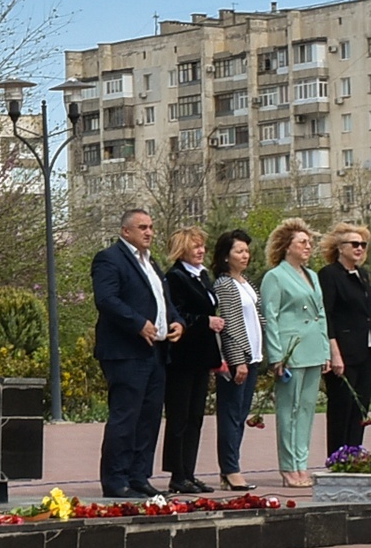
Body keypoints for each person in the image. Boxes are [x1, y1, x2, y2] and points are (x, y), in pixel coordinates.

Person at [92, 207, 179, 495]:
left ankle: (139, 476)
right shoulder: (109, 259)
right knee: (126, 416)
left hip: (156, 351)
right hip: (125, 352)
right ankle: (115, 480)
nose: (149, 232)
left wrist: (177, 321)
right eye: (142, 227)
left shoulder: (151, 263)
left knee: (150, 417)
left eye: (151, 227)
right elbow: (106, 299)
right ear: (126, 231)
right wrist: (138, 323)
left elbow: (162, 300)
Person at [260, 218, 329, 489]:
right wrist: (276, 356)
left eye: (310, 242)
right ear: (287, 246)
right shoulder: (275, 276)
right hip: (290, 350)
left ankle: (302, 463)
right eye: (302, 242)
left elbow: (321, 314)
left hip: (313, 348)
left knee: (307, 410)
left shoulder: (312, 276)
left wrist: (325, 350)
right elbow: (271, 316)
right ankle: (288, 466)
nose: (308, 246)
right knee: (289, 410)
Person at [160, 225, 223, 495]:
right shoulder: (175, 277)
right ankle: (177, 473)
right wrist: (205, 321)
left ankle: (190, 471)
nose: (200, 251)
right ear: (182, 249)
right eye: (194, 246)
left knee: (196, 416)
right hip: (182, 356)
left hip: (201, 357)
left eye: (202, 246)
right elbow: (178, 315)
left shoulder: (202, 276)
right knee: (180, 416)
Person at [317, 223, 371, 458]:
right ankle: (337, 456)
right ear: (340, 248)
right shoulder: (330, 274)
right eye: (354, 244)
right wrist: (334, 352)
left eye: (363, 244)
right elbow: (327, 315)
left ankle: (354, 455)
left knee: (360, 409)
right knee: (342, 407)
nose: (360, 248)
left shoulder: (362, 275)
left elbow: (367, 315)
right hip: (343, 351)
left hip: (365, 351)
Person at [210, 228, 263, 490]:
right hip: (238, 357)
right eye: (239, 251)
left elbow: (257, 318)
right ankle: (230, 469)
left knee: (240, 414)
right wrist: (237, 359)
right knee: (230, 414)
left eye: (246, 250)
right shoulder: (224, 284)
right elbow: (230, 324)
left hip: (253, 355)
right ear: (225, 256)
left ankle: (230, 468)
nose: (245, 255)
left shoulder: (246, 282)